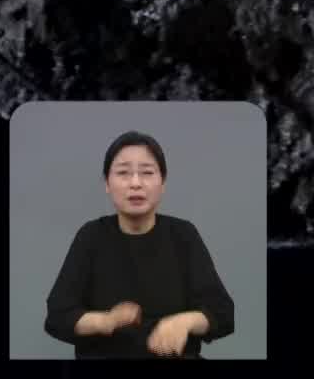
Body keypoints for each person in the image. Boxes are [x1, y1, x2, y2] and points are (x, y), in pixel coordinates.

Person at [43, 131, 235, 359]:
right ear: (107, 183)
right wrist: (106, 321)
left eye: (147, 173)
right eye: (123, 173)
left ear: (162, 183)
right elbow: (57, 316)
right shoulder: (91, 236)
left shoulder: (183, 234)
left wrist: (184, 322)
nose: (135, 183)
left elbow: (223, 313)